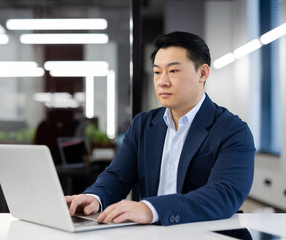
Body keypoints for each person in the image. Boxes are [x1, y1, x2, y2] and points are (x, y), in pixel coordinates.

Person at [65, 31, 255, 226]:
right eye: (157, 72)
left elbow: (224, 194)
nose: (162, 81)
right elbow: (118, 176)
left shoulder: (232, 130)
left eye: (173, 71)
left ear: (203, 73)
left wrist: (152, 209)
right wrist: (95, 197)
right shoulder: (143, 125)